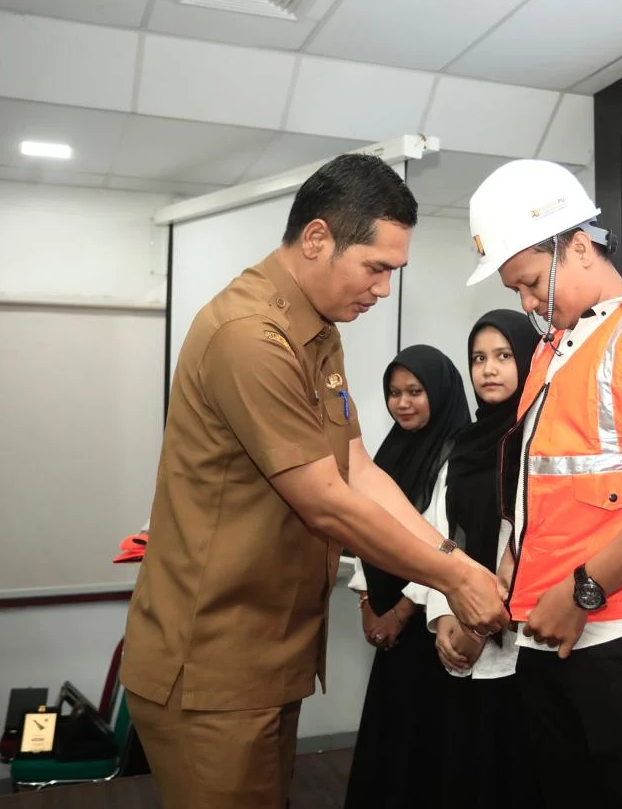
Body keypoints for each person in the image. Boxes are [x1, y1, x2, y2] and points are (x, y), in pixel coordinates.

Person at [119, 153, 508, 809]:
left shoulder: (317, 332)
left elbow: (358, 469)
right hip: (212, 664)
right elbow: (326, 503)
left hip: (268, 656)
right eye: (376, 268)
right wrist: (455, 578)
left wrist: (458, 562)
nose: (383, 290)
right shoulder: (251, 336)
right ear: (318, 239)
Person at [463, 158, 622, 809]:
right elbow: (542, 493)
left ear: (577, 246)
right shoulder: (551, 353)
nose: (526, 304)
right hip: (551, 637)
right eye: (517, 291)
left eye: (530, 283)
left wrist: (582, 592)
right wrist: (511, 567)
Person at [424, 309, 544, 808]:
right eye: (478, 358)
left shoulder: (536, 441)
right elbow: (437, 535)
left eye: (504, 356)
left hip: (521, 646)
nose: (489, 369)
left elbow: (529, 540)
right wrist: (445, 615)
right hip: (460, 630)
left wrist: (478, 625)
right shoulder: (462, 446)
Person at [343, 345, 470, 809]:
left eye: (415, 391)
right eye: (394, 393)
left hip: (431, 622)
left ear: (439, 391)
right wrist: (367, 603)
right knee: (391, 740)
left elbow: (443, 540)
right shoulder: (389, 451)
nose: (403, 403)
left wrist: (399, 612)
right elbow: (366, 528)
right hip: (388, 619)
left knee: (426, 743)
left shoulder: (459, 451)